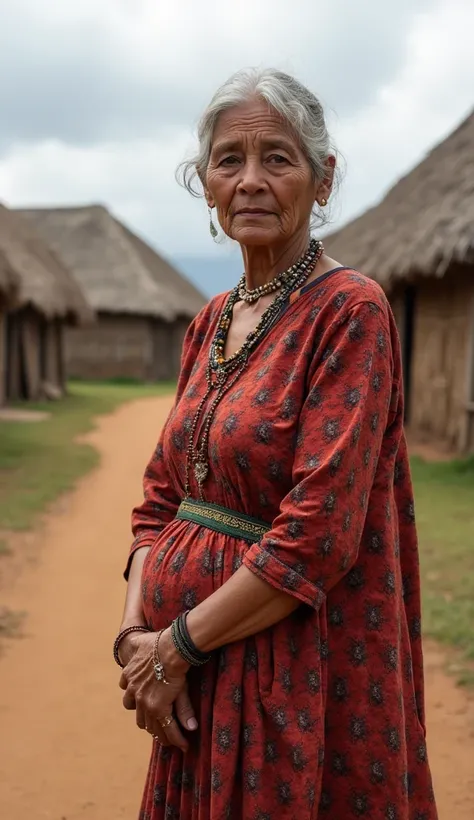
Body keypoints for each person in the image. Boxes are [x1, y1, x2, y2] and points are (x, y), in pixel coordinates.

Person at [115, 68, 438, 820]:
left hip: (292, 666)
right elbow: (160, 498)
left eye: (278, 159)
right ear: (206, 184)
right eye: (230, 160)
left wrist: (175, 647)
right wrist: (137, 636)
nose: (251, 180)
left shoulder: (349, 313)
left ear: (322, 181)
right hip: (191, 669)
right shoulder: (209, 322)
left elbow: (317, 536)